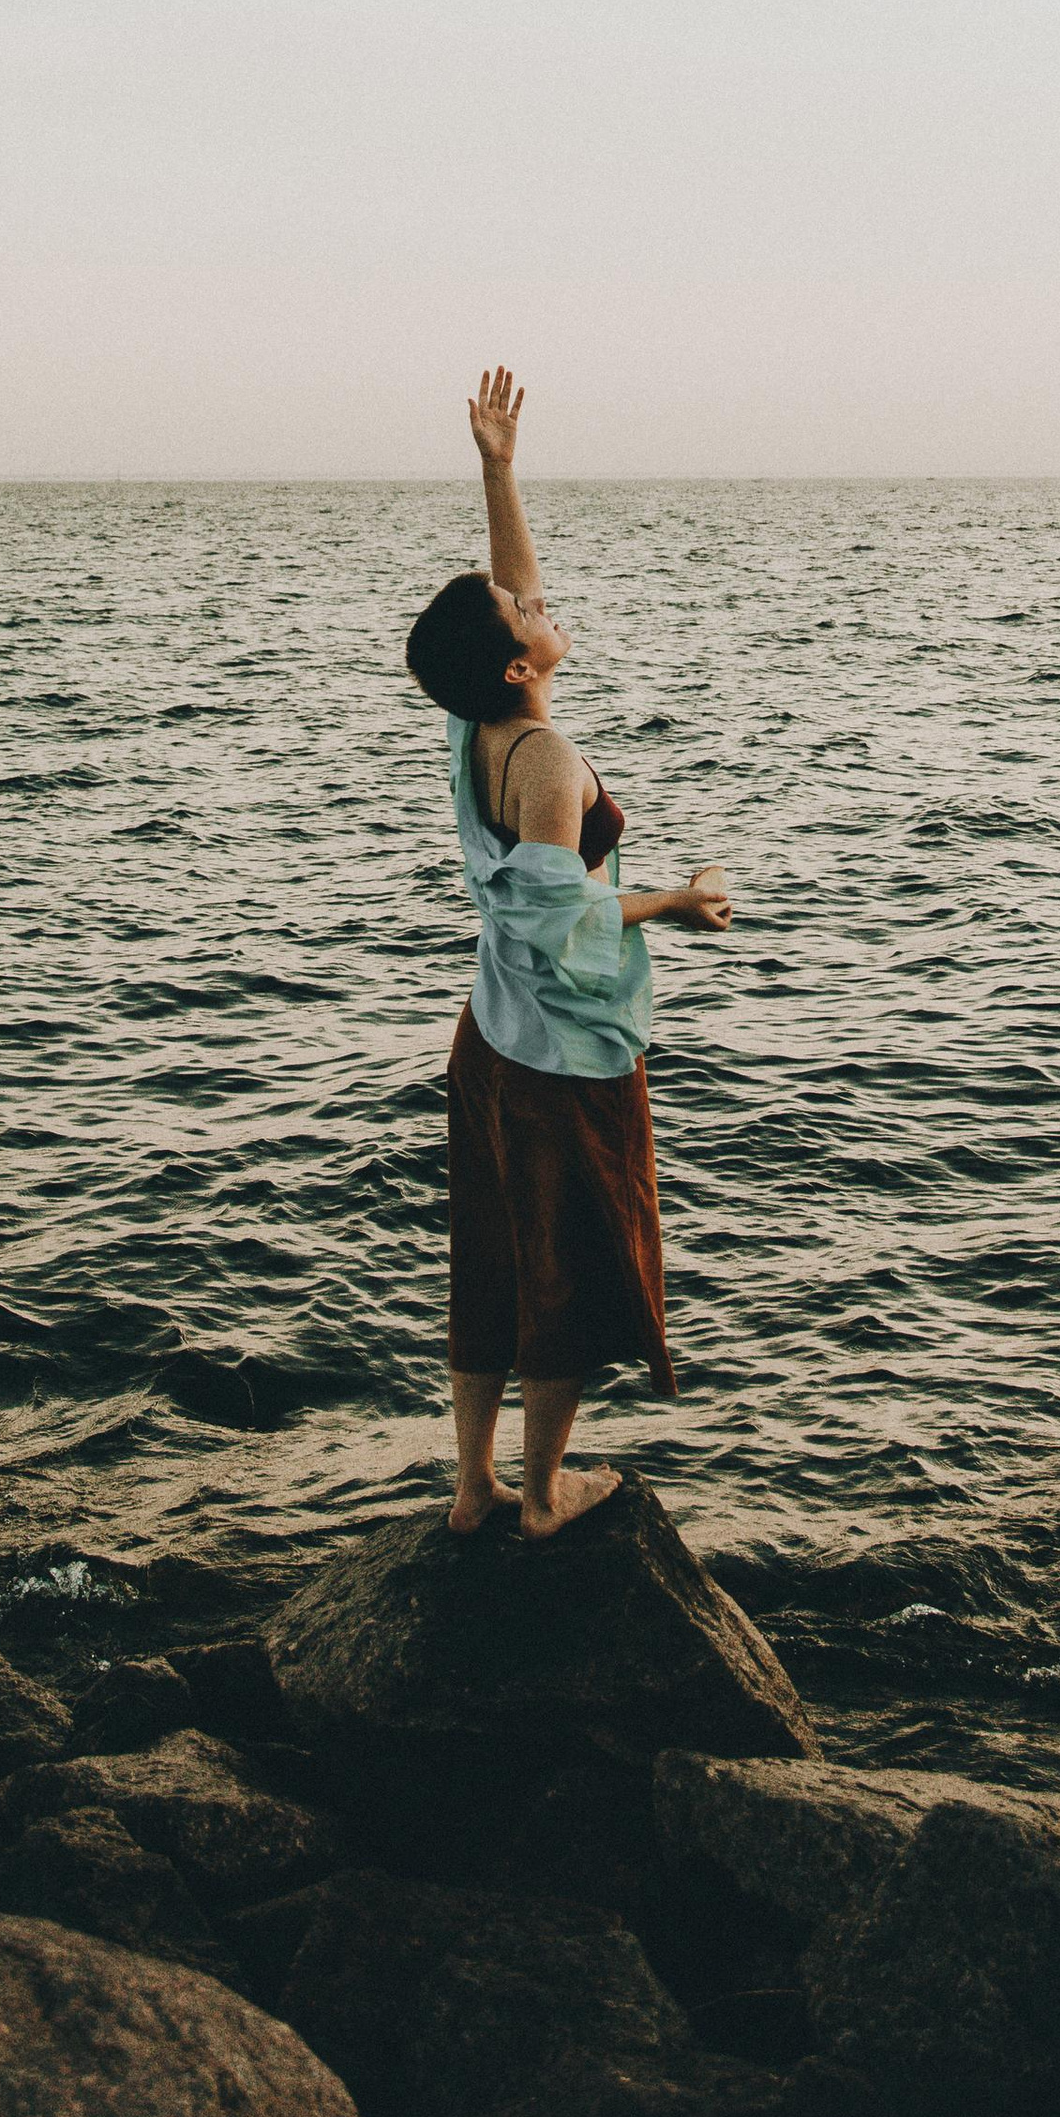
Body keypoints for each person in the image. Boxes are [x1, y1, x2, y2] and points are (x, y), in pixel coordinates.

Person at [404, 366, 732, 1539]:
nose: (537, 603)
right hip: (554, 1054)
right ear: (517, 664)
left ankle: (472, 1488)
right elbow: (557, 923)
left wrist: (498, 469)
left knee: (490, 1254)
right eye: (521, 614)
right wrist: (673, 902)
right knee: (569, 1263)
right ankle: (542, 1499)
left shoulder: (476, 722)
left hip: (487, 1036)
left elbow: (514, 590)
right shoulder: (541, 760)